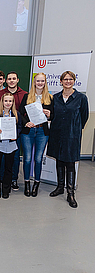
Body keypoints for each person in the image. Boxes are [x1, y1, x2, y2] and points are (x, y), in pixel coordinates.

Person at [47, 71, 89, 208]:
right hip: (57, 134)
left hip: (72, 135)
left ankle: (70, 193)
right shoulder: (56, 97)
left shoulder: (81, 98)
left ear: (74, 81)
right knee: (59, 159)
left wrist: (75, 128)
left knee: (70, 162)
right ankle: (60, 187)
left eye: (70, 79)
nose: (68, 81)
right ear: (61, 81)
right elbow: (53, 115)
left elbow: (84, 116)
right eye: (65, 79)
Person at [19, 73, 53, 197]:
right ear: (34, 82)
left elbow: (54, 116)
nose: (40, 83)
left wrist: (49, 114)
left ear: (45, 83)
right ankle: (27, 183)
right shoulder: (27, 97)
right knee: (27, 159)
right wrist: (26, 123)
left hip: (42, 132)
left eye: (42, 81)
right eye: (37, 81)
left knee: (38, 159)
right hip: (28, 132)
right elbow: (19, 113)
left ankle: (36, 184)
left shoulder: (50, 98)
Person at [0, 71, 26, 190]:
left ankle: (12, 180)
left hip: (13, 137)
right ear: (6, 81)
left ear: (18, 80)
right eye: (9, 79)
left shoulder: (24, 95)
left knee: (13, 159)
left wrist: (15, 133)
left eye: (14, 78)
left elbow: (22, 120)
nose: (11, 80)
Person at [0, 93, 22, 199]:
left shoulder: (16, 114)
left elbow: (19, 127)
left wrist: (15, 135)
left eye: (10, 101)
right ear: (2, 102)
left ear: (13, 103)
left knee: (9, 168)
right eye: (6, 101)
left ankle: (6, 190)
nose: (8, 103)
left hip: (11, 144)